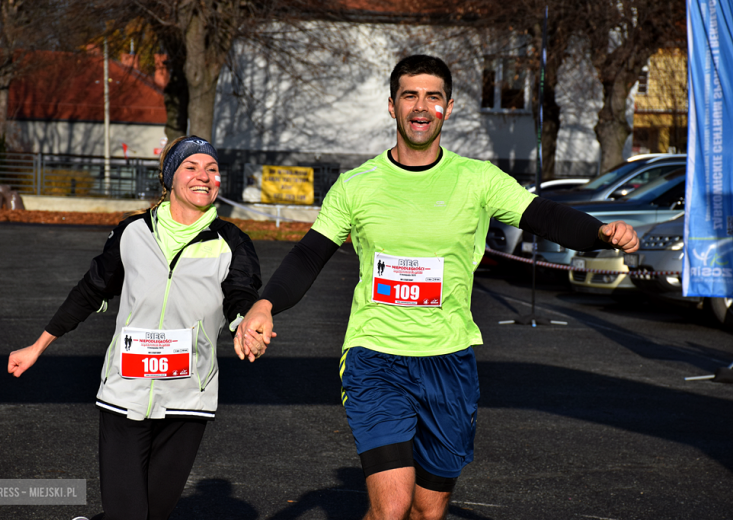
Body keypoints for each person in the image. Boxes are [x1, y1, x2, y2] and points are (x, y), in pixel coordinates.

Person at [233, 55, 640, 519]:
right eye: (410, 95)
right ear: (392, 106)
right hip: (375, 356)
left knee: (427, 511)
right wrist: (264, 305)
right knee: (392, 508)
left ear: (449, 106)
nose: (421, 107)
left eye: (432, 96)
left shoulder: (477, 179)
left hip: (448, 359)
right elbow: (309, 255)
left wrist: (599, 232)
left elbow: (542, 215)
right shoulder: (355, 185)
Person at [8, 136, 267, 520]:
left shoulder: (232, 242)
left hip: (187, 396)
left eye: (212, 169)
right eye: (191, 167)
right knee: (129, 514)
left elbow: (240, 295)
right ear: (169, 177)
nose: (204, 176)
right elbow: (90, 289)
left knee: (154, 512)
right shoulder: (132, 232)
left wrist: (246, 325)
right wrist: (37, 345)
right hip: (125, 393)